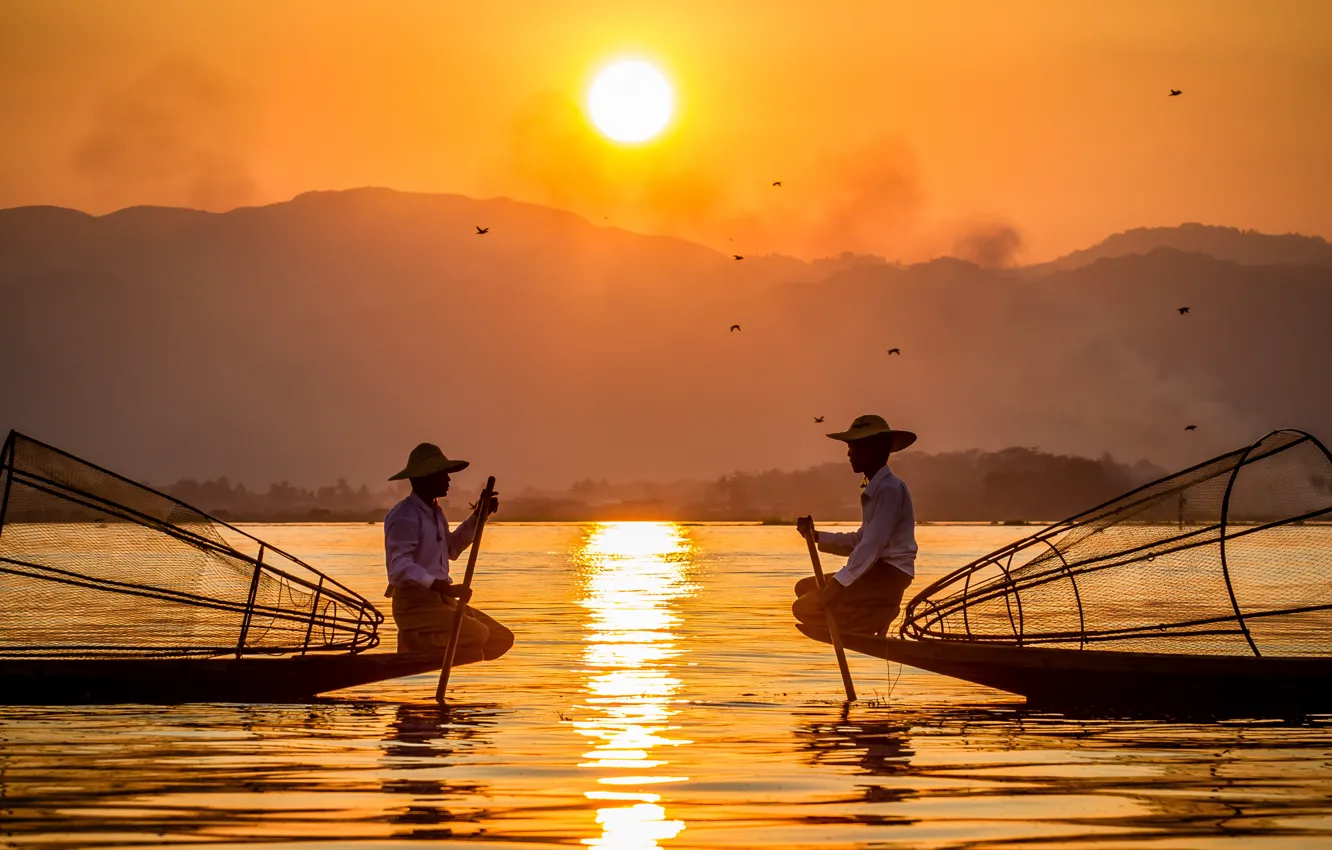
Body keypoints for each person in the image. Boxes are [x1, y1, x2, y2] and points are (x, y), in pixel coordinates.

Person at [384, 442, 514, 663]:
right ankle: (415, 640)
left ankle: (434, 644)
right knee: (478, 634)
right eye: (442, 474)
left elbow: (451, 548)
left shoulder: (435, 512)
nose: (448, 480)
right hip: (415, 605)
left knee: (500, 638)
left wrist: (479, 516)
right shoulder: (404, 515)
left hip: (441, 600)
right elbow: (399, 567)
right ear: (424, 478)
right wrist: (438, 584)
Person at [793, 414, 917, 637]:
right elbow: (861, 539)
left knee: (804, 607)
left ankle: (876, 616)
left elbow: (872, 546)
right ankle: (870, 615)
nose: (849, 454)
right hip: (875, 571)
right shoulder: (874, 489)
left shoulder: (889, 489)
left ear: (872, 450)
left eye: (854, 447)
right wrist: (816, 536)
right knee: (803, 589)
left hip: (888, 575)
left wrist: (839, 585)